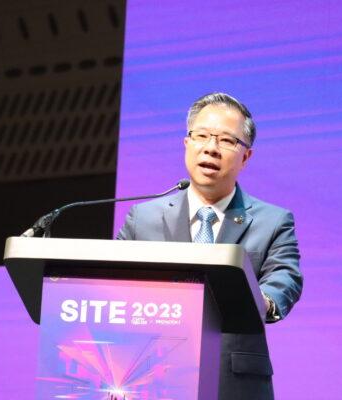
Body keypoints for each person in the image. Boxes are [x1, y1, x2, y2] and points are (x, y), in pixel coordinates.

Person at [117, 92, 302, 399]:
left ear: (246, 157)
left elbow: (286, 276)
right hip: (151, 375)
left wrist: (265, 300)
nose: (211, 148)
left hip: (234, 381)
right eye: (201, 136)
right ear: (186, 143)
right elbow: (111, 283)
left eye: (227, 140)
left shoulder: (273, 221)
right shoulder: (143, 218)